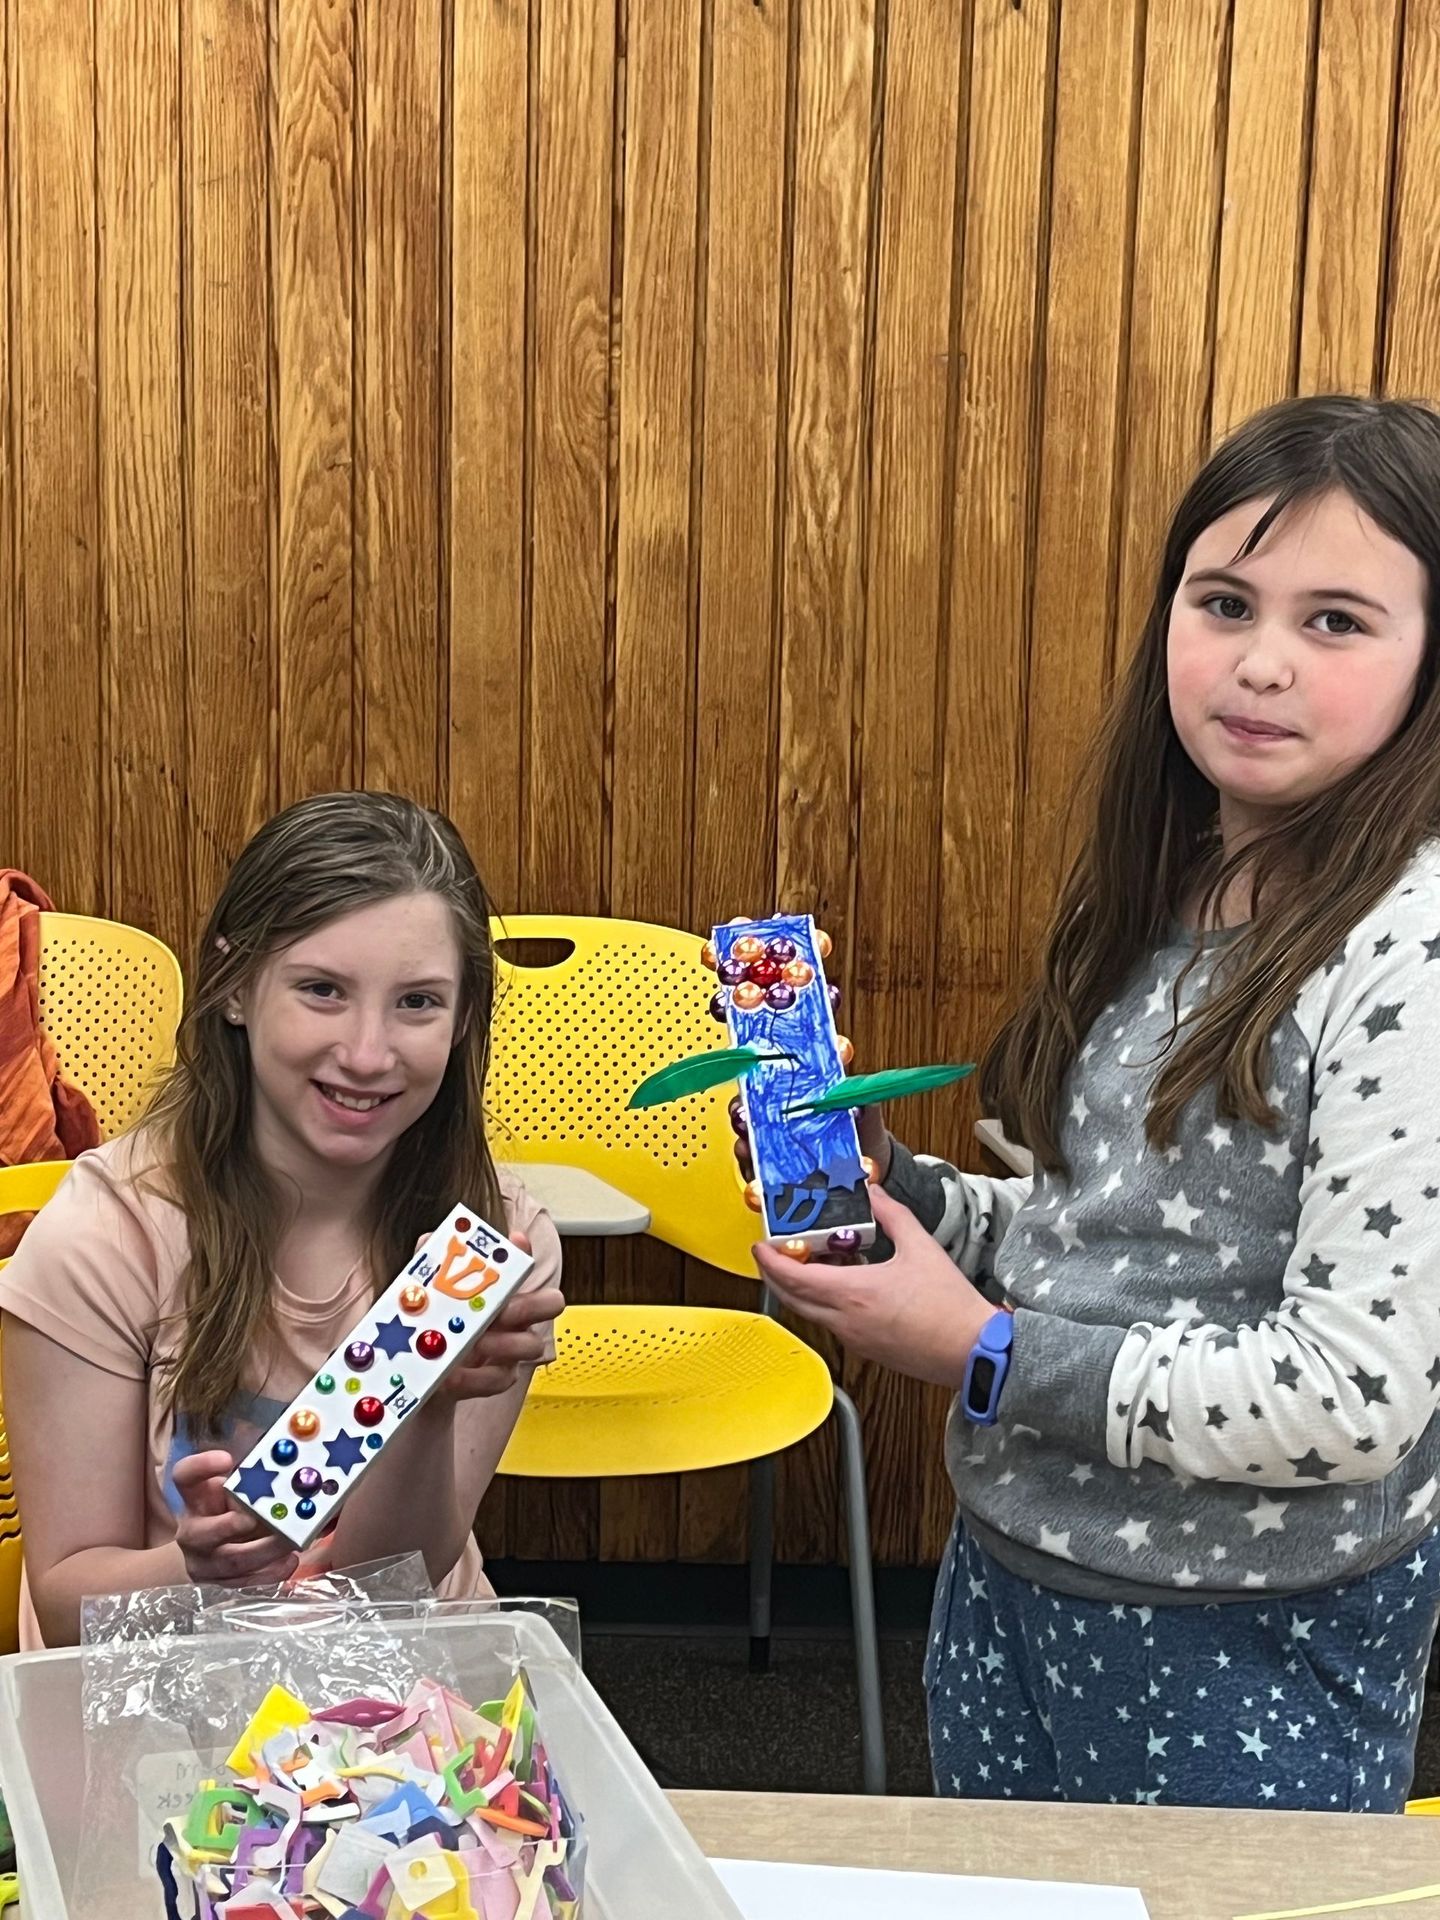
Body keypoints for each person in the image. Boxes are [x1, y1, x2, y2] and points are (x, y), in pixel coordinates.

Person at [753, 394, 1440, 1812]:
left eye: (1337, 622)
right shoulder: (1179, 878)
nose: (1260, 665)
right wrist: (915, 1195)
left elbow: (1351, 1399)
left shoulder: (1411, 951)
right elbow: (1109, 1231)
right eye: (1225, 601)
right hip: (1023, 1565)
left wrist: (983, 1352)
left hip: (1242, 1635)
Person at [0, 791, 564, 1647]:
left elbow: (390, 1590)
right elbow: (68, 1609)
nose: (369, 1054)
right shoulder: (102, 1236)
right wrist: (196, 1571)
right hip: (151, 1693)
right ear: (233, 986)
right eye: (322, 990)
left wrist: (432, 1402)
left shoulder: (493, 1241)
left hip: (398, 1695)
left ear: (460, 1023)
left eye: (418, 1002)